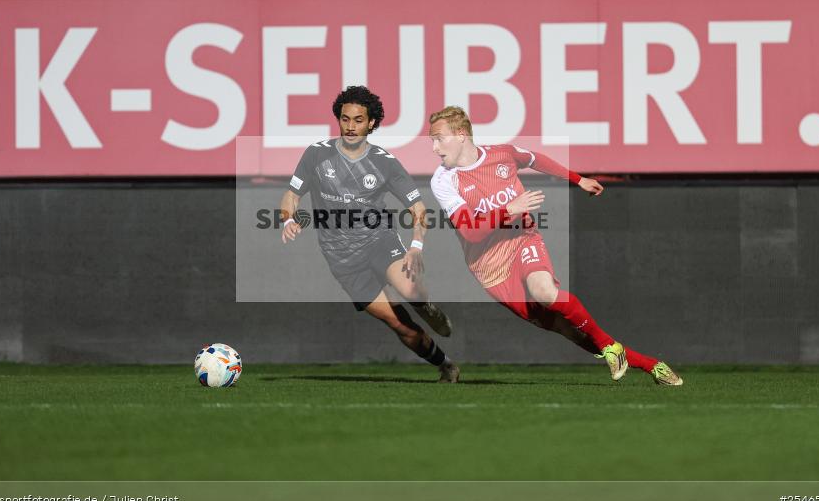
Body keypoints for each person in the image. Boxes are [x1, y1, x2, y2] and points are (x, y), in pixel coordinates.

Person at [427, 106, 682, 386]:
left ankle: (612, 350)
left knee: (545, 291)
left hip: (522, 238)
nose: (435, 147)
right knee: (566, 329)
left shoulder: (503, 154)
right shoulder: (443, 180)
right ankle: (650, 365)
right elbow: (471, 233)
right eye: (432, 141)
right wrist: (509, 209)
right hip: (489, 267)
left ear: (462, 134)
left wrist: (578, 179)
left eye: (439, 138)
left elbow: (537, 160)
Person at [280, 86, 460, 382]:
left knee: (411, 291)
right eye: (345, 119)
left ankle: (424, 304)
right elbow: (291, 195)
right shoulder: (316, 155)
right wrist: (288, 220)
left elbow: (417, 208)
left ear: (372, 123)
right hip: (343, 261)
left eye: (359, 120)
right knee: (399, 325)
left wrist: (415, 246)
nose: (351, 127)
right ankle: (446, 364)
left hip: (379, 241)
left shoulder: (384, 162)